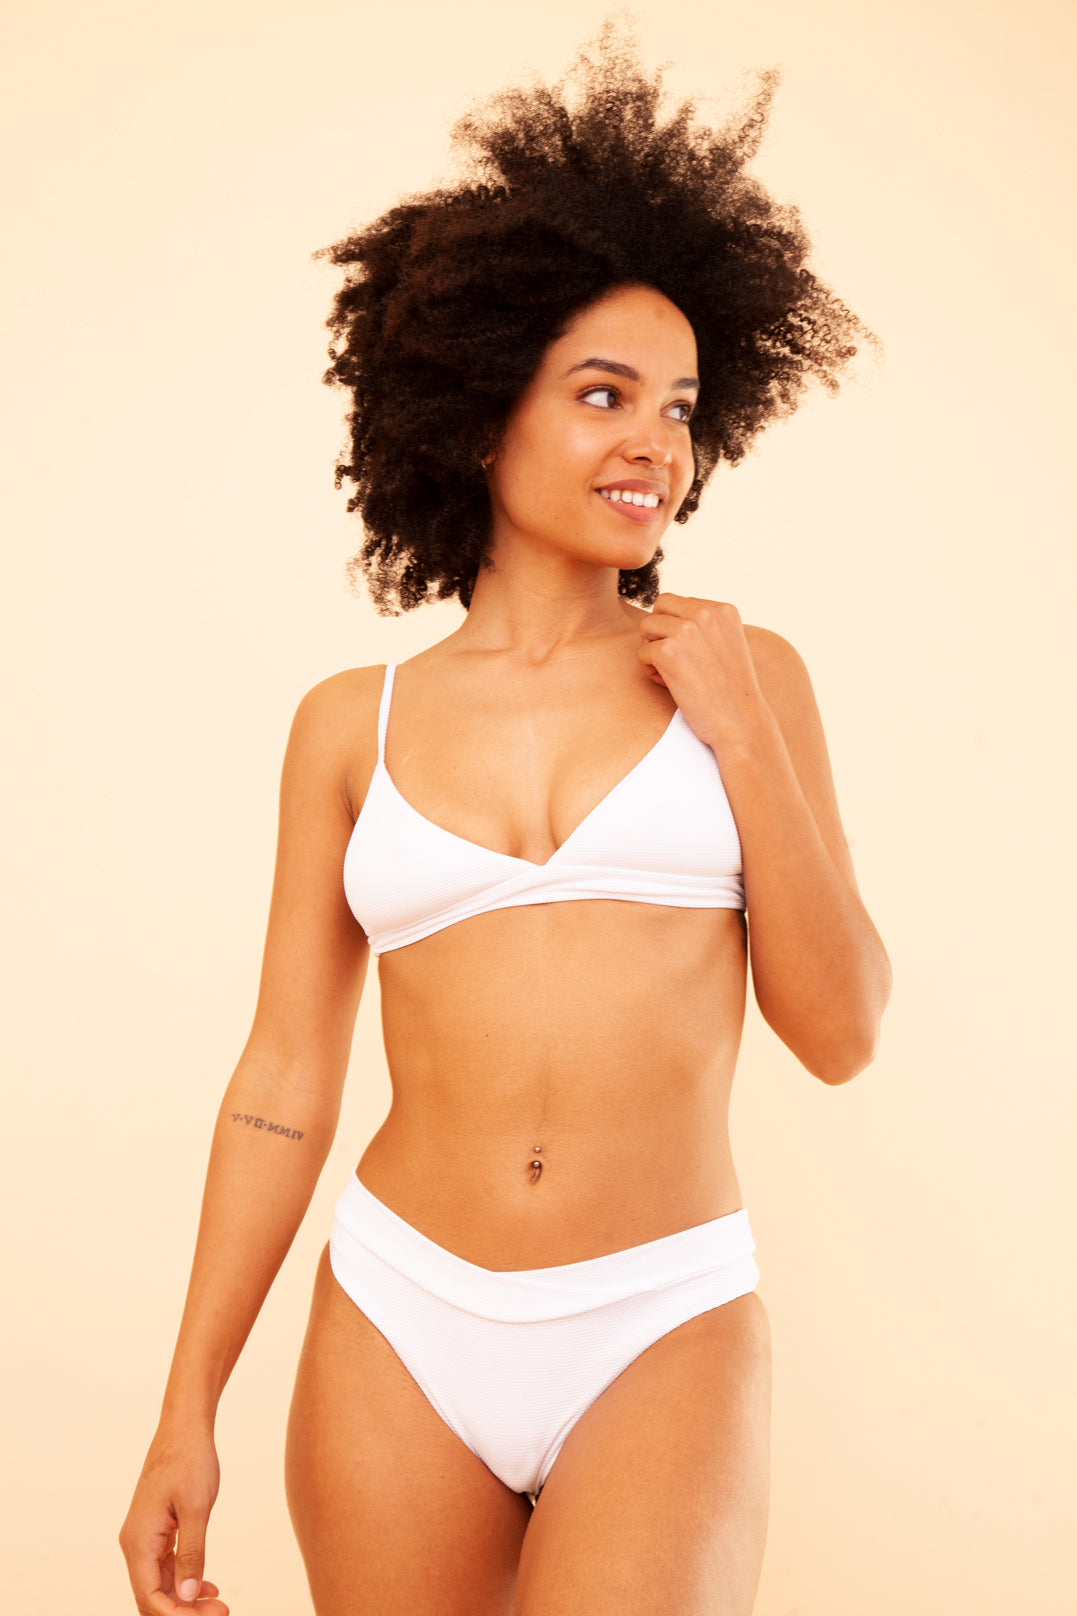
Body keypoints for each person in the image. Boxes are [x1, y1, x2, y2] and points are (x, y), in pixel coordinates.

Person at [120, 24, 891, 1616]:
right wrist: (187, 1407)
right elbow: (281, 1083)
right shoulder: (351, 724)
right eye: (602, 395)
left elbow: (839, 1032)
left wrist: (740, 732)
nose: (651, 444)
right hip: (397, 1310)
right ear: (480, 415)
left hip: (659, 1311)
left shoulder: (746, 679)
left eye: (678, 407)